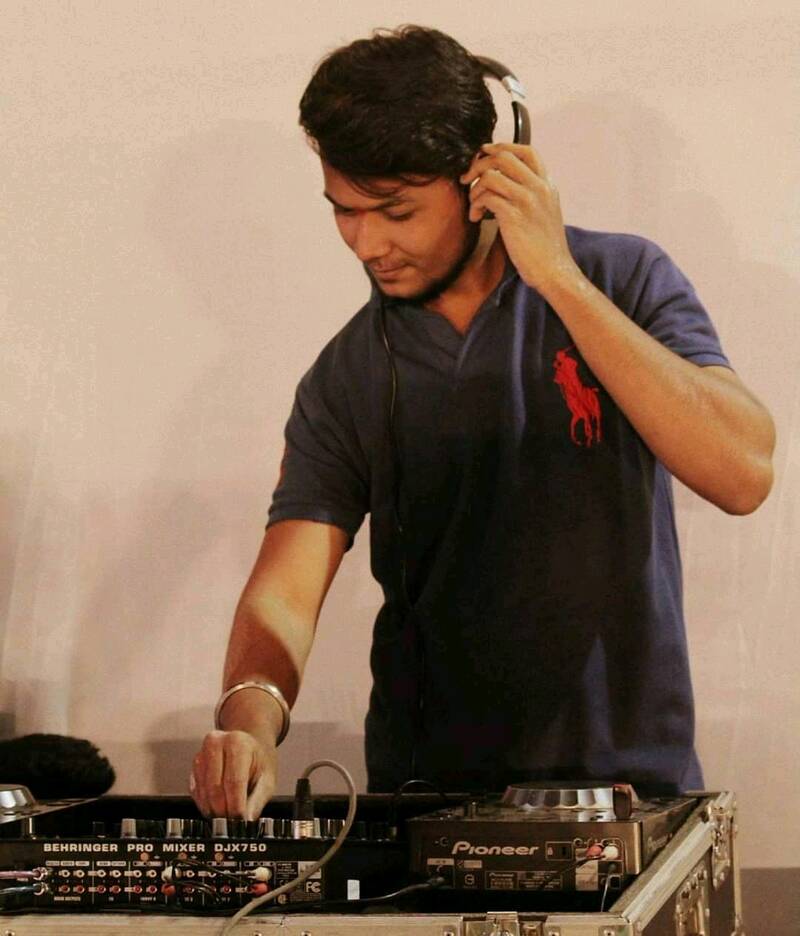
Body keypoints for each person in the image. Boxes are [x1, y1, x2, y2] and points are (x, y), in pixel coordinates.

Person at [189, 26, 775, 819]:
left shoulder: (622, 279)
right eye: (345, 212)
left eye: (396, 211)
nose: (367, 243)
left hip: (629, 793)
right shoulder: (347, 374)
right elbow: (284, 595)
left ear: (483, 176)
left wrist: (557, 278)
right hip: (426, 804)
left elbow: (743, 473)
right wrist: (248, 723)